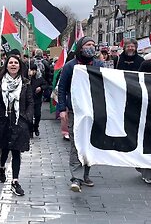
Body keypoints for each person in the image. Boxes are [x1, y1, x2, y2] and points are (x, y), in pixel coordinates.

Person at [56, 36, 104, 192]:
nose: (91, 47)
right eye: (88, 44)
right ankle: (76, 177)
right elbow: (62, 88)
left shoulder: (99, 65)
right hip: (76, 110)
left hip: (93, 111)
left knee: (89, 143)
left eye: (93, 44)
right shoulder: (70, 66)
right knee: (76, 144)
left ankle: (86, 174)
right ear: (81, 47)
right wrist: (62, 109)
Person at [0, 55, 33, 196]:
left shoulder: (25, 83)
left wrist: (27, 118)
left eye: (16, 63)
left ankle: (15, 180)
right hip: (2, 120)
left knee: (16, 150)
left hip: (19, 120)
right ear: (6, 65)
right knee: (4, 149)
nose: (13, 65)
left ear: (19, 66)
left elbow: (30, 102)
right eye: (10, 62)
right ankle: (1, 167)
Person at [28, 62, 48, 137]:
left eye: (34, 70)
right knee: (29, 116)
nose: (33, 72)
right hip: (29, 99)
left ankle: (36, 127)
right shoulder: (28, 78)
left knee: (37, 115)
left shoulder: (39, 78)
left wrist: (41, 88)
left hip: (37, 99)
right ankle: (30, 130)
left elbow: (46, 85)